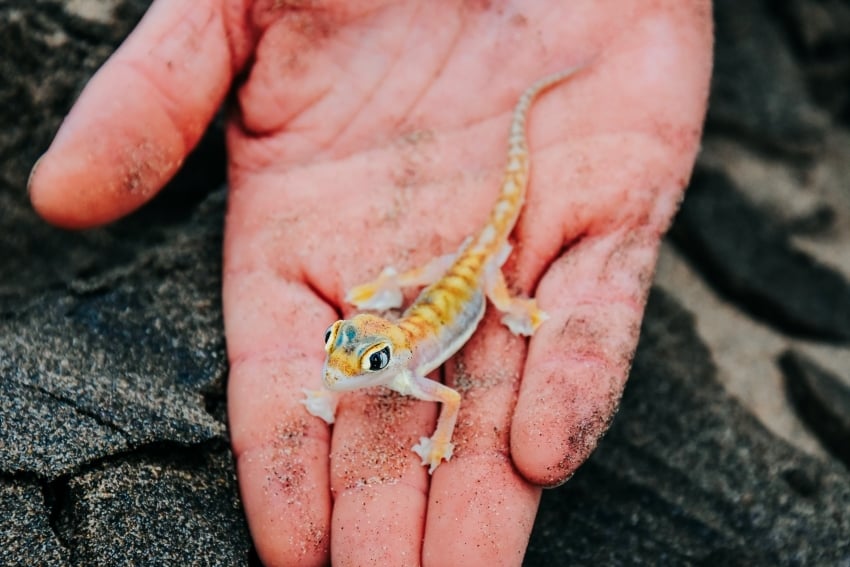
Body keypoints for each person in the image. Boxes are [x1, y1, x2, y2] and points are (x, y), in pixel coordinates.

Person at [28, 1, 713, 565]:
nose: (342, 368)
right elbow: (343, 363)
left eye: (367, 363)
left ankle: (507, 288)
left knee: (496, 289)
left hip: (473, 279)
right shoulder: (365, 353)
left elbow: (450, 400)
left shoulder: (417, 373)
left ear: (397, 358)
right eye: (342, 346)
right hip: (435, 280)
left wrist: (446, 435)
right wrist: (334, 382)